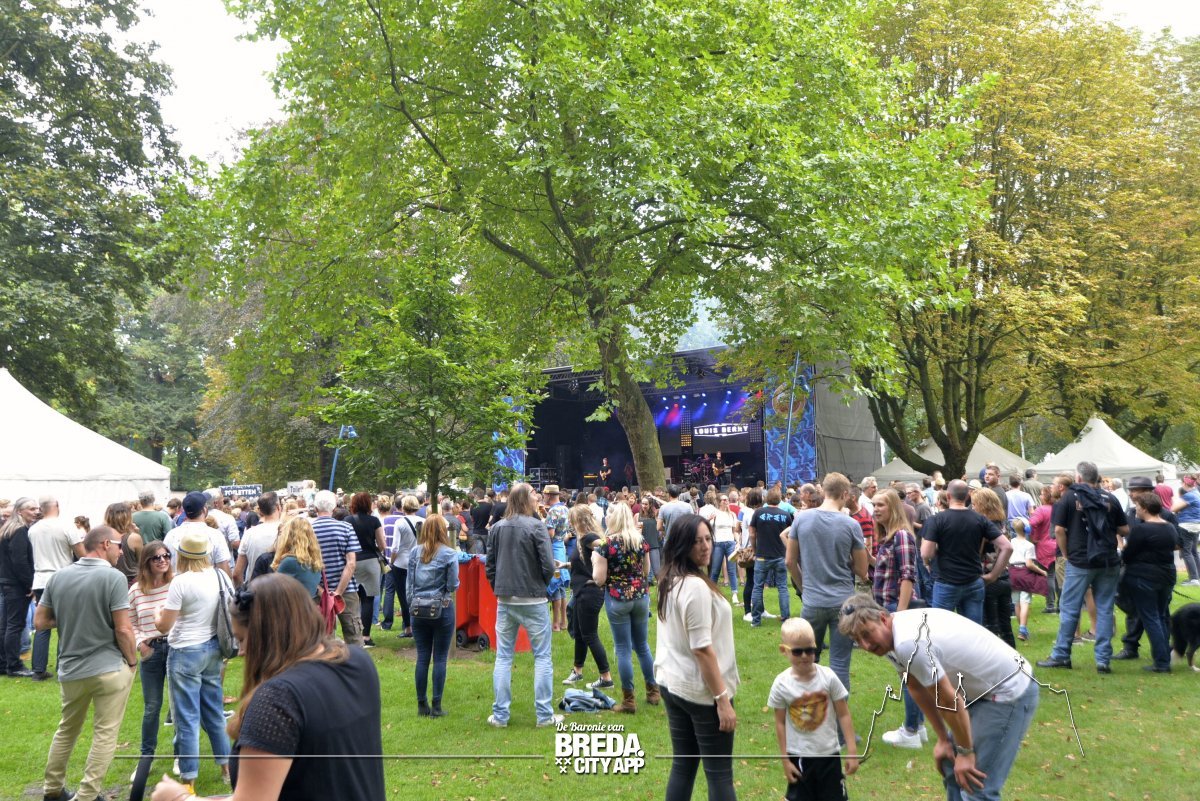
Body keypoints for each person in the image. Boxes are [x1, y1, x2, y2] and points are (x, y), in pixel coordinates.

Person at [150, 573, 385, 801]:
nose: (241, 652)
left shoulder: (278, 699)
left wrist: (179, 797)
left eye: (242, 639)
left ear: (267, 634)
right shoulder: (357, 661)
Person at [839, 594, 1039, 801]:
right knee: (950, 763)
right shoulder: (891, 640)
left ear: (882, 618)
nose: (866, 645)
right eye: (857, 640)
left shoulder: (908, 641)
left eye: (867, 634)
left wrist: (966, 752)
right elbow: (915, 686)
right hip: (978, 692)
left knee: (976, 787)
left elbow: (948, 700)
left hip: (1008, 689)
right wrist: (943, 739)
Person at [36, 525, 138, 801]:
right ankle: (87, 795)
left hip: (71, 669)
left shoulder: (59, 576)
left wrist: (71, 618)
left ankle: (52, 790)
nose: (121, 551)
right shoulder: (114, 577)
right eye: (119, 545)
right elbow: (123, 629)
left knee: (67, 729)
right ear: (105, 544)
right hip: (108, 667)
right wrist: (132, 662)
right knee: (105, 733)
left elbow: (40, 621)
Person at [654, 513, 739, 801]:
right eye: (696, 541)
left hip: (673, 682)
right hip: (701, 691)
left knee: (684, 765)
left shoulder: (670, 578)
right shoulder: (694, 587)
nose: (705, 546)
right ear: (681, 545)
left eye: (707, 539)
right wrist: (722, 700)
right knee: (719, 775)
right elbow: (701, 648)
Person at [155, 528, 233, 788]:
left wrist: (157, 613)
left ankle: (189, 779)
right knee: (214, 712)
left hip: (185, 651)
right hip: (214, 647)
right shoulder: (220, 575)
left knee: (186, 717)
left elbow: (164, 626)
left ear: (181, 554)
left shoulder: (181, 582)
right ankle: (226, 769)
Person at [1037, 461, 1128, 673]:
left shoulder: (1069, 497)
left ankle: (1061, 655)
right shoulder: (1110, 498)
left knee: (1069, 608)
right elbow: (1124, 529)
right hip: (1107, 560)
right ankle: (1103, 660)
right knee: (1105, 608)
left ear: (1078, 478)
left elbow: (1059, 530)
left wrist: (1066, 554)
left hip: (1079, 560)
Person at [786, 473, 868, 697]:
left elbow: (790, 561)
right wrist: (846, 560)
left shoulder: (801, 519)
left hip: (812, 601)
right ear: (845, 494)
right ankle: (841, 716)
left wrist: (804, 588)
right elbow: (862, 570)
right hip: (843, 602)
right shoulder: (851, 524)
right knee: (840, 662)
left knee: (807, 660)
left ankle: (810, 709)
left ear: (823, 491)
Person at [485, 483, 559, 728]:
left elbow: (490, 566)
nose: (537, 498)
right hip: (532, 598)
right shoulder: (536, 526)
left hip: (507, 598)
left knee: (504, 657)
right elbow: (548, 565)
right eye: (534, 495)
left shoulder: (498, 528)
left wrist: (500, 588)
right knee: (542, 657)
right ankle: (544, 715)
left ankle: (501, 716)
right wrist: (541, 585)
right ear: (525, 500)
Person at [769, 618, 858, 801]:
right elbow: (780, 723)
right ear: (784, 650)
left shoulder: (828, 677)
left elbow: (843, 714)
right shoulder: (781, 684)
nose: (804, 656)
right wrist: (785, 760)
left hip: (829, 755)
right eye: (797, 651)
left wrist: (852, 751)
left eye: (809, 650)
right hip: (799, 756)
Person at [869, 488, 926, 749]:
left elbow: (907, 576)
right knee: (910, 671)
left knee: (908, 673)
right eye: (873, 505)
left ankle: (911, 731)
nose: (875, 510)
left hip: (897, 609)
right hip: (888, 608)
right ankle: (919, 726)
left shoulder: (901, 535)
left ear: (893, 507)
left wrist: (899, 614)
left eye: (880, 505)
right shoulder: (888, 538)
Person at [593, 502, 658, 713]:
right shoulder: (640, 541)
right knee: (643, 646)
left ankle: (629, 700)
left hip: (617, 598)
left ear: (612, 520)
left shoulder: (606, 544)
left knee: (623, 649)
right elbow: (646, 571)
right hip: (640, 596)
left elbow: (599, 579)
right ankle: (653, 691)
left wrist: (596, 566)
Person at [920, 480, 1011, 625]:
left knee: (941, 628)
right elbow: (1007, 547)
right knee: (974, 629)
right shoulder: (980, 519)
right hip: (973, 581)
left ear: (948, 496)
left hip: (946, 582)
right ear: (967, 496)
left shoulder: (936, 520)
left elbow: (926, 553)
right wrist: (993, 575)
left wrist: (927, 562)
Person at [404, 513, 459, 716]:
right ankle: (436, 706)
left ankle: (422, 705)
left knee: (422, 657)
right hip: (442, 608)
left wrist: (412, 603)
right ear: (443, 531)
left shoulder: (414, 552)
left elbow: (409, 583)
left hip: (418, 608)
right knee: (440, 658)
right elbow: (452, 584)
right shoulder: (449, 553)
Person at [1119, 492, 1177, 672]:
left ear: (1144, 508)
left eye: (1137, 506)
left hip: (1144, 576)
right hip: (1166, 575)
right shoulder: (1169, 527)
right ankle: (1164, 657)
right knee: (1161, 616)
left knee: (1151, 618)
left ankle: (1161, 662)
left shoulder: (1141, 529)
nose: (1135, 509)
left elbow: (1128, 554)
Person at [29, 496, 83, 680]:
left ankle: (38, 669)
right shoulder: (67, 526)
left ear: (41, 508)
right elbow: (81, 553)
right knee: (66, 623)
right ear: (57, 507)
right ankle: (63, 666)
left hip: (40, 579)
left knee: (42, 624)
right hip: (63, 578)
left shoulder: (33, 529)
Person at [129, 541, 174, 758]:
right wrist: (141, 644)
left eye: (166, 555)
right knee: (152, 707)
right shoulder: (136, 590)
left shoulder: (176, 584)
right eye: (157, 557)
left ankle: (180, 755)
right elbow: (130, 622)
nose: (163, 560)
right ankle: (146, 756)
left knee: (179, 706)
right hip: (152, 650)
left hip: (176, 648)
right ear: (147, 561)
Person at [562, 505, 612, 689]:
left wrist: (597, 578)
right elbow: (586, 564)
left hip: (589, 593)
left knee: (590, 635)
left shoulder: (589, 538)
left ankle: (606, 677)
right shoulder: (583, 538)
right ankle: (577, 671)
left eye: (571, 519)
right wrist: (565, 565)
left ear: (579, 520)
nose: (570, 523)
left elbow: (607, 547)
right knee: (580, 634)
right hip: (581, 591)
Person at [310, 490, 363, 646]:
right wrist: (339, 591)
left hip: (317, 590)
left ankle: (326, 662)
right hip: (346, 589)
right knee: (353, 633)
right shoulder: (346, 528)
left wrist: (320, 588)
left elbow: (304, 564)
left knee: (323, 637)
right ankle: (356, 662)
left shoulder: (308, 530)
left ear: (315, 507)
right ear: (334, 508)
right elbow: (351, 563)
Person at [971, 489, 1016, 647]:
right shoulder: (1003, 524)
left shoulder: (984, 526)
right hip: (1004, 575)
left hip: (988, 576)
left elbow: (977, 552)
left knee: (990, 626)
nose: (972, 507)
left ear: (983, 505)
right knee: (1005, 624)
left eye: (974, 504)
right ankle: (1013, 657)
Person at [0, 496, 38, 676]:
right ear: (20, 511)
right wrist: (30, 584)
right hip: (16, 585)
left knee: (6, 625)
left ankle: (4, 663)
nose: (36, 511)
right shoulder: (19, 531)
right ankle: (14, 665)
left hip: (6, 582)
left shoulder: (7, 529)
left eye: (36, 508)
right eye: (31, 509)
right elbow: (20, 561)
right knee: (15, 625)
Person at [346, 492, 386, 647]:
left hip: (353, 561)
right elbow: (382, 545)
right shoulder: (374, 520)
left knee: (353, 599)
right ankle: (366, 636)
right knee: (368, 599)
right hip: (370, 562)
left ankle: (354, 634)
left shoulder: (347, 520)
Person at [749, 486, 792, 626]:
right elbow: (790, 535)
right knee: (782, 588)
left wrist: (755, 550)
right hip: (780, 555)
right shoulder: (785, 515)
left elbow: (752, 534)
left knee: (758, 587)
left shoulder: (758, 513)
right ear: (780, 499)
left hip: (762, 556)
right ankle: (786, 619)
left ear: (766, 499)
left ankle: (756, 621)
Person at [164, 492, 232, 576]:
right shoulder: (215, 535)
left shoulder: (171, 535)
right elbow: (224, 570)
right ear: (204, 510)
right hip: (208, 583)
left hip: (176, 583)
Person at [387, 494, 422, 638]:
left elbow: (395, 547)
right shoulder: (424, 521)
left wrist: (391, 561)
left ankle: (408, 627)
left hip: (401, 563)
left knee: (403, 595)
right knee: (418, 594)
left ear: (403, 507)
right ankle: (419, 625)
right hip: (418, 561)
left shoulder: (400, 523)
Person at [1006, 520, 1047, 642]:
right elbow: (1029, 564)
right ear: (1027, 530)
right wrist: (1041, 571)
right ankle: (1022, 629)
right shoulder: (1029, 545)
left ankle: (1022, 629)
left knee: (1016, 603)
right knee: (1025, 602)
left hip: (1012, 573)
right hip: (1024, 574)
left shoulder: (1011, 542)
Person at [235, 493, 281, 587]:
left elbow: (237, 574)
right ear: (278, 507)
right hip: (282, 590)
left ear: (260, 511)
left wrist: (242, 592)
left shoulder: (249, 534)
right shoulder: (288, 531)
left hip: (254, 589)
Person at [271, 517, 324, 597]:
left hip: (292, 604)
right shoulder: (315, 560)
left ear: (289, 536)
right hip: (309, 603)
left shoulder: (290, 561)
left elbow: (274, 591)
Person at [543, 485, 570, 632]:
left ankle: (555, 624)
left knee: (554, 585)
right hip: (561, 548)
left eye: (544, 495)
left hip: (553, 549)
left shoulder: (553, 511)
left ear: (549, 495)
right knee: (560, 586)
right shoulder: (565, 509)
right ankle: (563, 622)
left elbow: (550, 534)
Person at [708, 493, 740, 600]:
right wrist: (709, 519)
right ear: (719, 502)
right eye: (723, 500)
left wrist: (738, 542)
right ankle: (712, 593)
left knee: (732, 570)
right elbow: (707, 527)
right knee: (715, 570)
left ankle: (734, 593)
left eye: (727, 500)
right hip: (718, 543)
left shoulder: (732, 515)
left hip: (730, 543)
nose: (726, 501)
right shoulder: (715, 513)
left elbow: (734, 531)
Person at [105, 501, 144, 587]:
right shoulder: (134, 538)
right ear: (128, 517)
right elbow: (141, 561)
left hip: (110, 581)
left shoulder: (102, 536)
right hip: (131, 582)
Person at [1171, 475, 1200, 586]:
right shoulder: (1197, 493)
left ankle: (1194, 579)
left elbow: (1173, 508)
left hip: (1187, 525)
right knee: (1194, 552)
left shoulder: (1189, 495)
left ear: (1184, 483)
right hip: (1196, 525)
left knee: (1186, 552)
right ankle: (1197, 576)